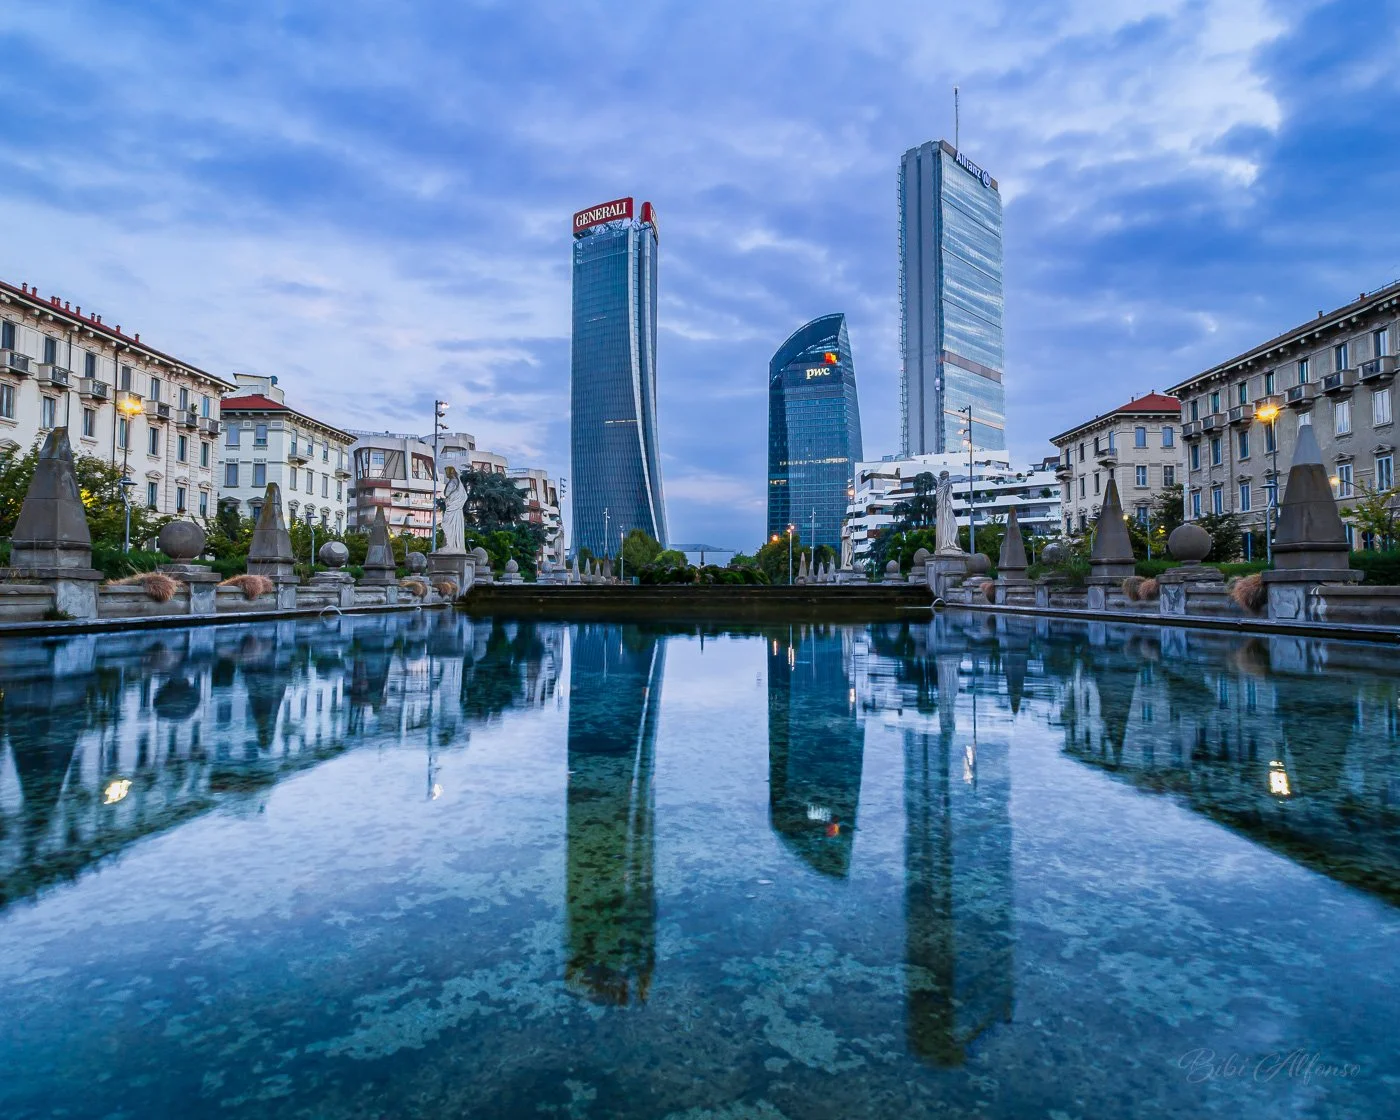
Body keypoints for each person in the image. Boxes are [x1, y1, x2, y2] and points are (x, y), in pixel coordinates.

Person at [440, 466, 466, 552]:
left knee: (448, 526)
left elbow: (447, 493)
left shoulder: (452, 482)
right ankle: (454, 545)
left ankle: (450, 545)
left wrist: (450, 499)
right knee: (454, 528)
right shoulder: (459, 484)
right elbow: (465, 496)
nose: (446, 474)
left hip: (452, 509)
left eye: (446, 472)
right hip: (457, 509)